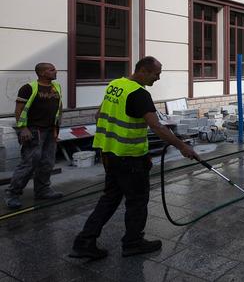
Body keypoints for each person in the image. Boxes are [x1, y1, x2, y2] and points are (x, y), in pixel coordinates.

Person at [70, 56, 200, 260]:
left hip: (109, 153)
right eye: (156, 74)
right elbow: (156, 126)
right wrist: (182, 146)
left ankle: (84, 241)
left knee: (110, 198)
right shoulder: (140, 94)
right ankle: (133, 243)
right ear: (144, 71)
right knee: (137, 201)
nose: (158, 78)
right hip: (130, 158)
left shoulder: (116, 85)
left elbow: (98, 115)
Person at [5, 63, 64, 210]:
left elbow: (59, 108)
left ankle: (42, 190)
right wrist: (23, 128)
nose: (55, 71)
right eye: (52, 69)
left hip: (50, 130)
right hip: (33, 130)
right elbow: (18, 109)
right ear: (43, 73)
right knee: (29, 163)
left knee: (48, 162)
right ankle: (12, 194)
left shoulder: (56, 87)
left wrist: (56, 130)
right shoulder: (28, 88)